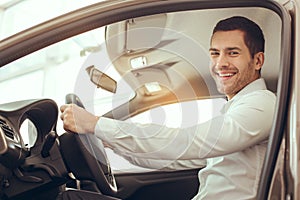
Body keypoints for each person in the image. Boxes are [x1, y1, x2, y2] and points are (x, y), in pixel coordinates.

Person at [59, 16, 276, 199]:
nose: (220, 63)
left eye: (233, 53)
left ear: (257, 61)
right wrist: (109, 141)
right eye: (215, 53)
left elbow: (185, 141)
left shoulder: (263, 103)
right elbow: (175, 157)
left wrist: (97, 124)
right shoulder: (235, 109)